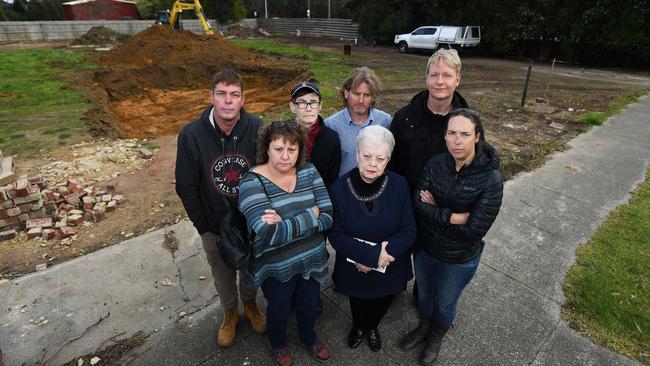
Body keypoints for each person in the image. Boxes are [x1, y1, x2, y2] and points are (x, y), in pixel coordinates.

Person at [400, 109, 503, 366]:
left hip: (458, 258)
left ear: (477, 137)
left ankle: (435, 337)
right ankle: (424, 327)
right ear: (445, 136)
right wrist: (455, 216)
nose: (457, 140)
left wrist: (434, 209)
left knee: (445, 304)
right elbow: (418, 204)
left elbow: (474, 230)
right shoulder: (436, 163)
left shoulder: (491, 179)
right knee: (424, 295)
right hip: (426, 248)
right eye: (452, 133)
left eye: (465, 134)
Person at [175, 69, 266, 348]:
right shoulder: (191, 135)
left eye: (234, 95)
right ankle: (230, 312)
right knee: (222, 275)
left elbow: (266, 171)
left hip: (250, 223)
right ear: (211, 97)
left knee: (250, 269)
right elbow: (186, 186)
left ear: (242, 99)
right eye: (222, 94)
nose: (228, 101)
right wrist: (203, 225)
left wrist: (260, 215)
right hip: (213, 225)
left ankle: (249, 303)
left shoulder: (256, 127)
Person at [238, 121, 333, 366]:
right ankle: (278, 343)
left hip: (311, 259)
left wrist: (287, 222)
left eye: (292, 150)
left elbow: (329, 216)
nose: (285, 156)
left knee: (309, 306)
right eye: (279, 149)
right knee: (278, 309)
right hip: (275, 264)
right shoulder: (251, 182)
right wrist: (310, 215)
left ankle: (308, 337)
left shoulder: (309, 172)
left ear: (300, 151)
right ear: (266, 149)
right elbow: (269, 234)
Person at [388, 48, 471, 306]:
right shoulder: (405, 117)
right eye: (434, 74)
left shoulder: (468, 122)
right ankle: (392, 287)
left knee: (431, 262)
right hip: (407, 204)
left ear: (458, 78)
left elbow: (472, 167)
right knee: (400, 254)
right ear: (426, 78)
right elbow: (392, 165)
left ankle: (423, 296)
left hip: (443, 210)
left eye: (447, 75)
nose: (440, 81)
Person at [328, 125, 416, 352]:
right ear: (357, 154)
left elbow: (408, 230)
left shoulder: (399, 185)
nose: (372, 164)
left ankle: (373, 326)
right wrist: (367, 256)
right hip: (354, 262)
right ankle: (358, 326)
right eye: (366, 156)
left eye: (380, 158)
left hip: (390, 261)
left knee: (384, 298)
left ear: (388, 159)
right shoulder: (339, 188)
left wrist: (381, 258)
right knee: (357, 299)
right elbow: (336, 234)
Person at [325, 66, 392, 177]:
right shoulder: (331, 125)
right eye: (356, 94)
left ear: (373, 97)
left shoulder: (385, 121)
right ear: (346, 93)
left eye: (366, 95)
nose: (361, 100)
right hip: (344, 190)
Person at [289, 81, 341, 188]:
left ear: (320, 106)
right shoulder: (282, 135)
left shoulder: (331, 139)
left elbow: (332, 178)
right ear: (293, 107)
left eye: (313, 102)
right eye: (302, 103)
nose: (309, 108)